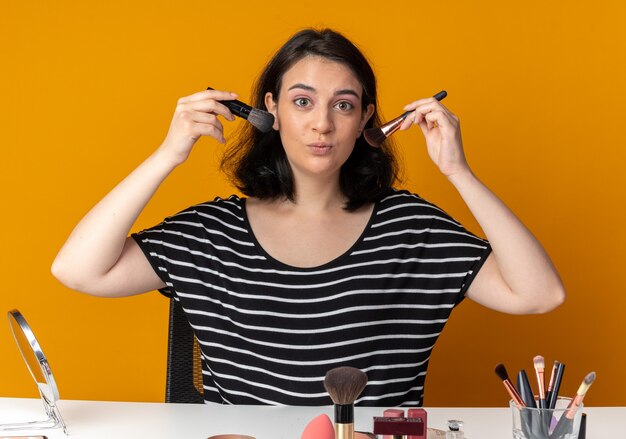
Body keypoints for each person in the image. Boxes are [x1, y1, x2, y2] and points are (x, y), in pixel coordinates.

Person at [52, 28, 565, 406]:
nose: (322, 123)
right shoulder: (213, 233)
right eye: (303, 101)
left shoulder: (410, 229)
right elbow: (79, 270)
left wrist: (459, 172)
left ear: (367, 117)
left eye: (343, 105)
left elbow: (540, 294)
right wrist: (168, 153)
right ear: (270, 110)